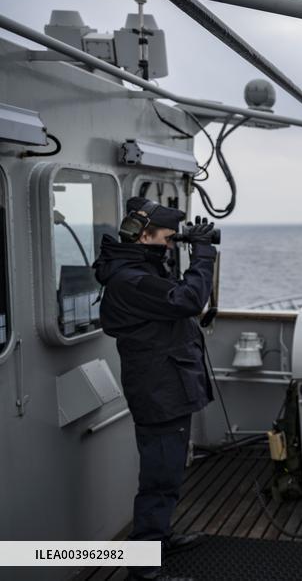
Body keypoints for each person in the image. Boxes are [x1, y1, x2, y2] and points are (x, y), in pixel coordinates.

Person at [93, 197, 218, 581]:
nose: (169, 245)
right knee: (159, 479)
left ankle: (158, 539)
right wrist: (202, 256)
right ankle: (145, 567)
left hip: (165, 387)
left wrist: (179, 253)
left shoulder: (139, 269)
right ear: (143, 236)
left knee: (167, 474)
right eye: (166, 239)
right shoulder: (132, 280)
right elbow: (190, 300)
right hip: (159, 392)